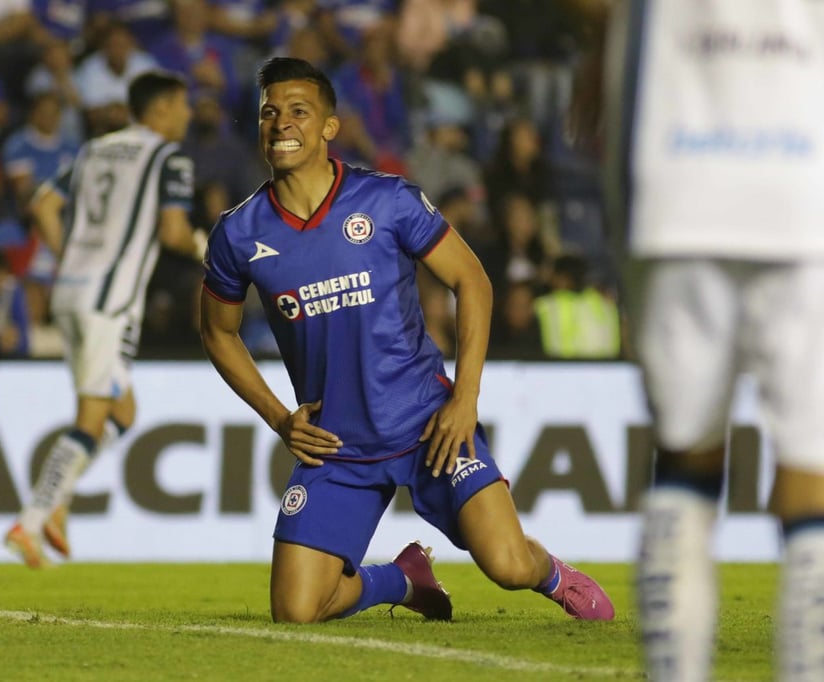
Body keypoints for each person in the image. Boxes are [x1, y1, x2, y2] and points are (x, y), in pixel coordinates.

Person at [199, 57, 614, 623]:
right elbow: (217, 332)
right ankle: (401, 579)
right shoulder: (239, 233)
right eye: (269, 112)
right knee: (296, 611)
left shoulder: (386, 200)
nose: (281, 123)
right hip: (335, 444)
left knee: (509, 565)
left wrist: (464, 400)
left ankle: (555, 575)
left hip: (427, 426)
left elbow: (473, 282)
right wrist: (278, 418)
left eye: (299, 111)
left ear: (328, 127)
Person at [565, 0, 824, 679]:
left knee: (685, 462)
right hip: (803, 180)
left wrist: (608, 42)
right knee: (813, 477)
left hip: (676, 171)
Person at [4, 70, 207, 568]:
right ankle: (30, 521)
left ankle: (58, 506)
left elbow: (43, 204)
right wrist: (212, 250)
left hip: (70, 290)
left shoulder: (95, 148)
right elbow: (174, 230)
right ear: (159, 110)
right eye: (182, 105)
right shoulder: (168, 156)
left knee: (124, 413)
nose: (188, 114)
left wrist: (70, 257)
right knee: (92, 419)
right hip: (109, 301)